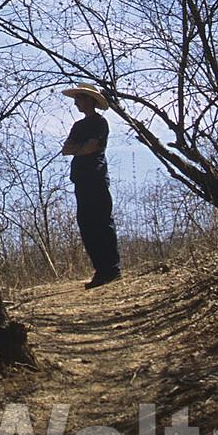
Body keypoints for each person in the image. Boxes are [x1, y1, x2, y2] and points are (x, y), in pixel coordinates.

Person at [60, 85, 122, 288]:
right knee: (86, 225)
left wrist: (80, 148)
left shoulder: (100, 122)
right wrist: (80, 149)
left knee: (102, 222)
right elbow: (66, 149)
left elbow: (92, 147)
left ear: (89, 100)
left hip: (96, 178)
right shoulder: (78, 126)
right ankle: (100, 271)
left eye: (79, 98)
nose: (76, 102)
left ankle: (111, 269)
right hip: (80, 180)